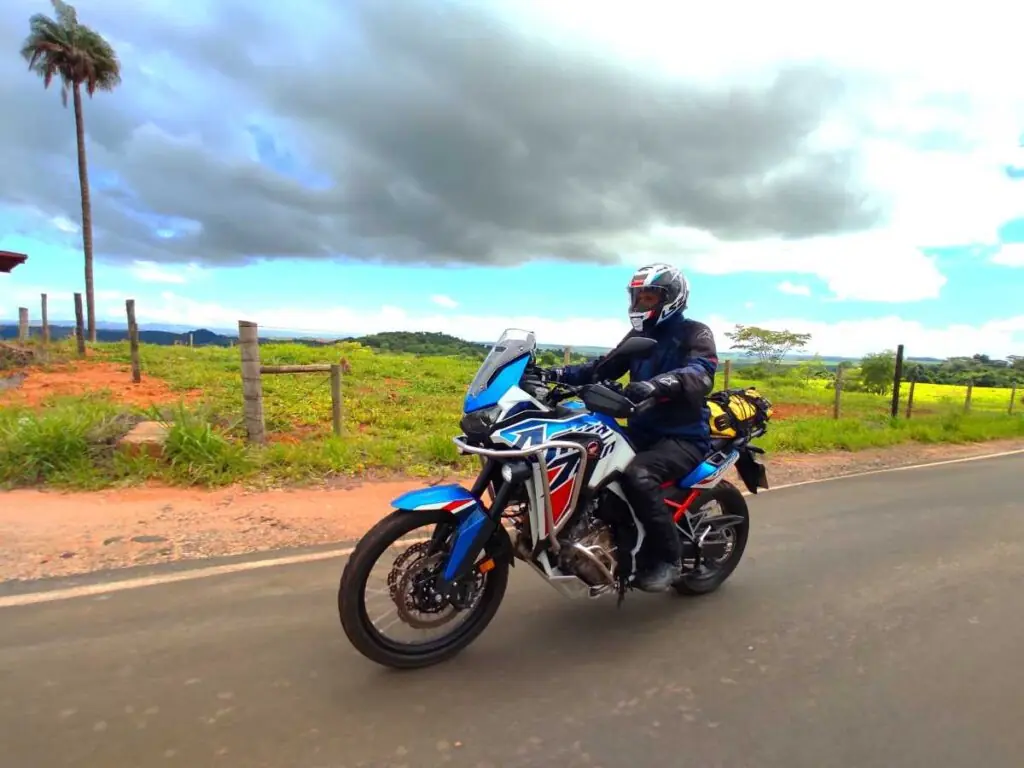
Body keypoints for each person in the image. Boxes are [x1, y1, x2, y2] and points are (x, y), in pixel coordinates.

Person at [545, 263, 719, 592]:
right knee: (588, 456)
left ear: (672, 298)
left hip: (683, 436)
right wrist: (554, 375)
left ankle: (668, 559)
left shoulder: (695, 332)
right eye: (638, 297)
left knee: (638, 476)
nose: (642, 305)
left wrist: (661, 384)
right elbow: (603, 367)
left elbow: (701, 372)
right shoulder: (639, 336)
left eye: (650, 297)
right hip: (641, 429)